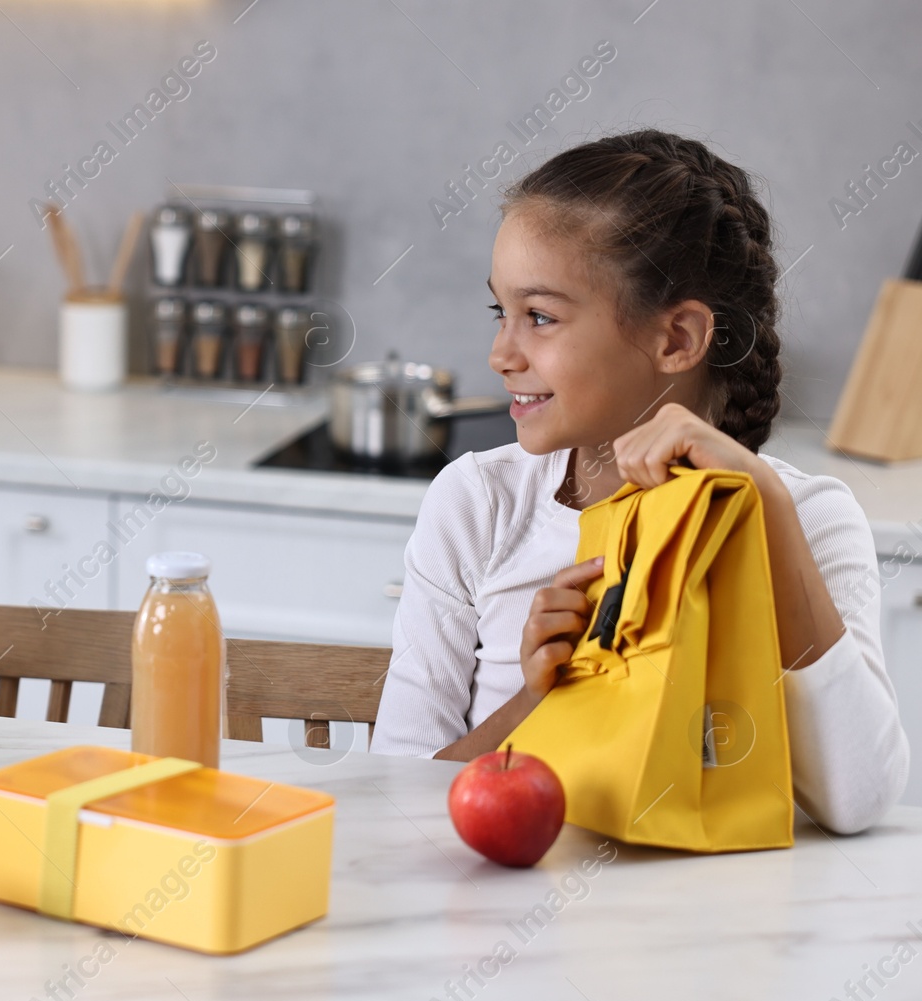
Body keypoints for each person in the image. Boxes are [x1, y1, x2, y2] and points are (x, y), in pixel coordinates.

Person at [370, 130, 906, 833]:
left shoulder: (806, 516)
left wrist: (765, 507)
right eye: (501, 312)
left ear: (678, 339)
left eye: (539, 316)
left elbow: (859, 799)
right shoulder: (477, 504)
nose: (500, 353)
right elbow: (393, 799)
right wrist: (541, 694)